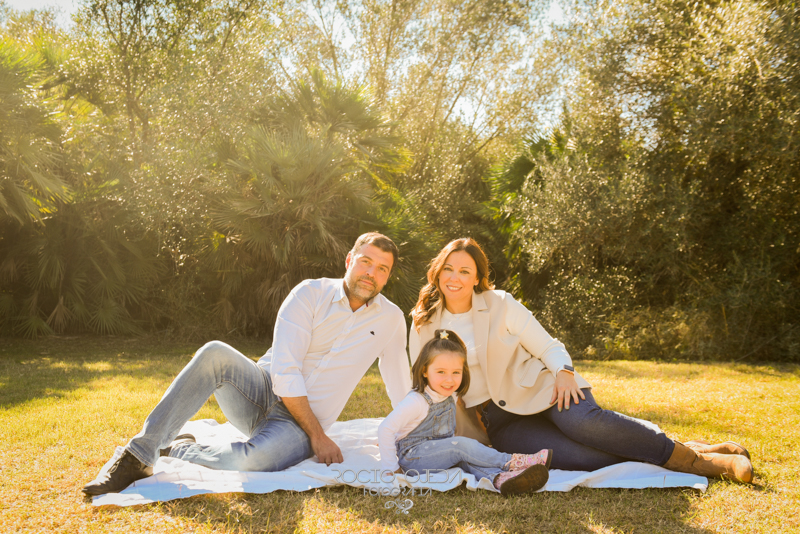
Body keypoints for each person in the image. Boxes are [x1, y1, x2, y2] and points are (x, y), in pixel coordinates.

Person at [83, 232, 412, 496]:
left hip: (297, 426)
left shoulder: (391, 320)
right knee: (215, 353)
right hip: (262, 392)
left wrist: (411, 433)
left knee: (254, 461)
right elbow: (285, 372)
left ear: (387, 277)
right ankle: (138, 457)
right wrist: (319, 437)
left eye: (382, 268)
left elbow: (399, 382)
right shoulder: (309, 294)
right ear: (349, 260)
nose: (372, 273)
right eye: (366, 262)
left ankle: (176, 450)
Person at [408, 238, 754, 483]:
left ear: (477, 277)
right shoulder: (424, 322)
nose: (455, 278)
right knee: (587, 457)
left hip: (542, 388)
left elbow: (548, 345)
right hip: (496, 419)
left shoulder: (501, 303)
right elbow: (418, 382)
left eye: (465, 271)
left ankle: (701, 462)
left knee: (585, 425)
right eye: (449, 269)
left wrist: (564, 372)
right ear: (438, 272)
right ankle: (683, 446)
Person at [378, 329, 552, 496]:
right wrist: (392, 470)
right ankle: (513, 461)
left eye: (456, 372)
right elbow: (385, 428)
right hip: (413, 459)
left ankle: (501, 478)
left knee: (466, 457)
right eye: (441, 372)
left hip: (438, 454)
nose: (449, 379)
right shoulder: (416, 401)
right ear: (424, 371)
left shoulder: (450, 396)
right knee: (460, 447)